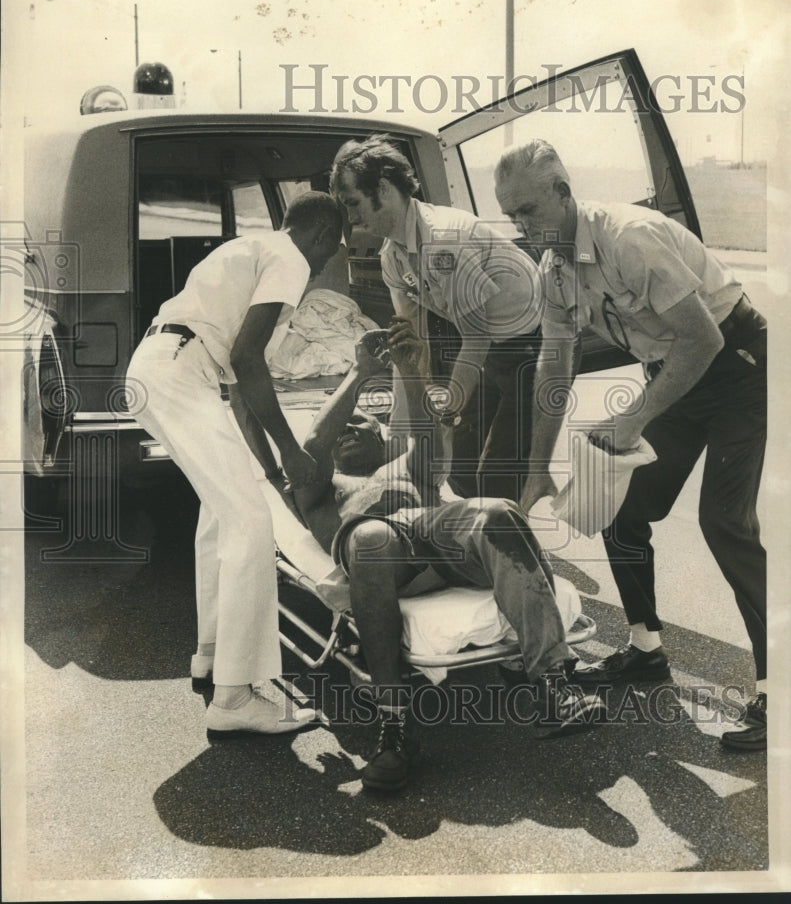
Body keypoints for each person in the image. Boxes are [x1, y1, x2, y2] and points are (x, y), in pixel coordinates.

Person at [238, 323, 604, 793]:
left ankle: (555, 687)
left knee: (499, 510)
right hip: (382, 554)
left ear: (384, 438)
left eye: (362, 426)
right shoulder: (319, 490)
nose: (350, 429)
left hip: (439, 539)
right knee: (369, 536)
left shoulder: (408, 466)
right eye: (342, 430)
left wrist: (412, 370)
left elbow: (427, 440)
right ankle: (395, 727)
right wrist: (361, 372)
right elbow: (311, 446)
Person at [494, 139, 767, 752]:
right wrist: (537, 468)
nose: (521, 226)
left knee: (726, 523)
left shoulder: (629, 237)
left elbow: (703, 341)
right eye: (510, 215)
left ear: (564, 194)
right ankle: (645, 649)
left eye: (529, 211)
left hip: (738, 366)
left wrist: (634, 420)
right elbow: (553, 366)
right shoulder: (552, 269)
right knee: (620, 510)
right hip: (676, 375)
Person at [126, 191, 343, 739]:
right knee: (251, 526)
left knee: (223, 516)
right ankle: (234, 698)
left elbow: (244, 389)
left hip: (161, 368)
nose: (327, 261)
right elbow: (248, 361)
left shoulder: (251, 249)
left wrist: (271, 471)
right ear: (321, 235)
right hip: (179, 374)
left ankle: (211, 652)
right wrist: (294, 455)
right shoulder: (290, 258)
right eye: (332, 248)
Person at [330, 135, 543, 502]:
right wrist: (403, 436)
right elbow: (411, 349)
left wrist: (444, 412)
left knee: (497, 474)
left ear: (382, 188)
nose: (351, 218)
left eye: (354, 204)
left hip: (533, 343)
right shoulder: (392, 257)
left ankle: (511, 547)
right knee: (459, 470)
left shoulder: (444, 240)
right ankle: (492, 529)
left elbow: (475, 339)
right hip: (487, 343)